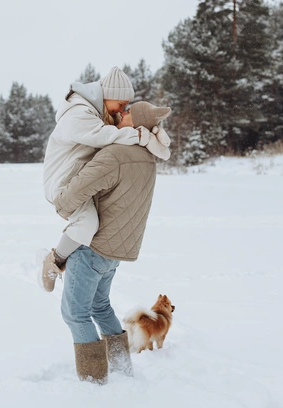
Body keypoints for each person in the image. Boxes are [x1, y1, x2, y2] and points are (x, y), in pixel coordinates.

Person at [53, 102, 171, 384]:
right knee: (99, 307)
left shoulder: (117, 154)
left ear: (137, 124)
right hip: (115, 251)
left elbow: (78, 190)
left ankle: (95, 381)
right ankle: (121, 368)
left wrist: (61, 204)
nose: (120, 114)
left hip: (92, 248)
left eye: (127, 113)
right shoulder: (146, 157)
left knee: (74, 314)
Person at [39, 66, 168, 292]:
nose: (122, 110)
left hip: (77, 179)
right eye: (121, 104)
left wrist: (148, 128)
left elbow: (117, 128)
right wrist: (138, 135)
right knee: (87, 224)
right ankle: (52, 262)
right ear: (107, 96)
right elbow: (101, 136)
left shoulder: (98, 113)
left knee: (90, 224)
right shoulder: (78, 112)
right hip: (61, 182)